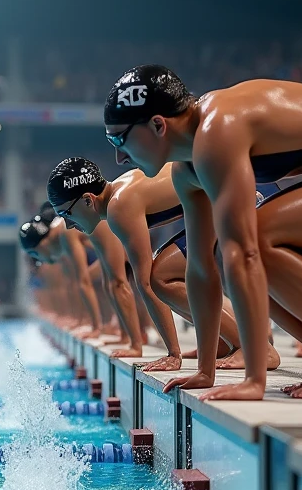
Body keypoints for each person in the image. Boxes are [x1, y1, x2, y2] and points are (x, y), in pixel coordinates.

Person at [103, 63, 302, 399]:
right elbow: (200, 269)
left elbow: (244, 252)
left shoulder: (217, 127)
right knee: (223, 255)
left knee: (253, 240)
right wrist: (206, 371)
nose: (117, 157)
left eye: (119, 138)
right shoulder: (186, 172)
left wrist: (253, 380)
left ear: (158, 125)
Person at [46, 157, 281, 373]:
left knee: (161, 277)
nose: (67, 225)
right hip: (241, 194)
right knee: (168, 275)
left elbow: (145, 282)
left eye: (67, 214)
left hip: (246, 200)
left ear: (88, 200)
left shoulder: (119, 206)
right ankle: (227, 341)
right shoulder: (119, 192)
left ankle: (255, 349)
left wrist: (172, 354)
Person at [19, 203, 142, 353]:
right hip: (118, 239)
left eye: (36, 255)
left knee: (126, 284)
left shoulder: (64, 233)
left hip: (123, 237)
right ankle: (127, 334)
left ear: (42, 243)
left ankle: (136, 340)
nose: (40, 261)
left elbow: (80, 281)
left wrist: (94, 327)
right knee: (114, 284)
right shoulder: (62, 230)